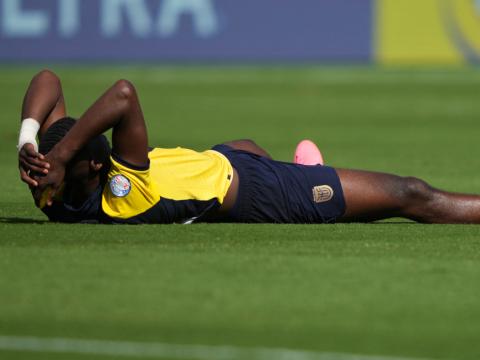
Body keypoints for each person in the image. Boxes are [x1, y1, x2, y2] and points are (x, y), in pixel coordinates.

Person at [17, 70, 480, 224]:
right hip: (261, 192)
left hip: (222, 159)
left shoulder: (48, 190)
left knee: (249, 147)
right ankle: (311, 175)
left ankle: (310, 171)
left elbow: (48, 80)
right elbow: (122, 94)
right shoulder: (121, 193)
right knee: (410, 193)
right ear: (100, 162)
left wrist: (30, 140)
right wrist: (58, 153)